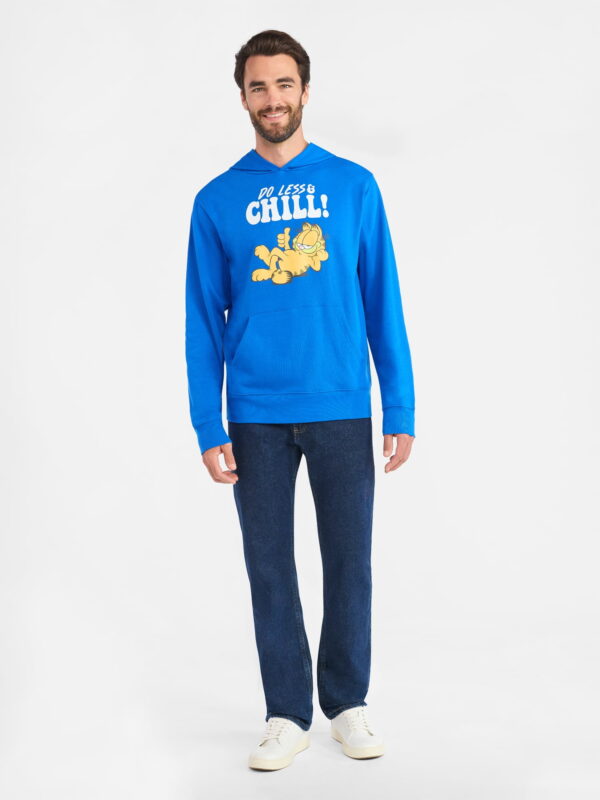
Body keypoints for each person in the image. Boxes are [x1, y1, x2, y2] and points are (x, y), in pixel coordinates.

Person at [185, 29, 416, 771]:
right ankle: (287, 712)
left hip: (341, 402)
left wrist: (400, 405)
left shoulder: (353, 186)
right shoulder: (216, 200)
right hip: (254, 413)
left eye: (284, 84)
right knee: (269, 568)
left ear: (305, 91)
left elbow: (382, 298)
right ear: (243, 97)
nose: (273, 98)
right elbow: (201, 320)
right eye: (258, 86)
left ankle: (346, 703)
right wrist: (207, 420)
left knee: (350, 562)